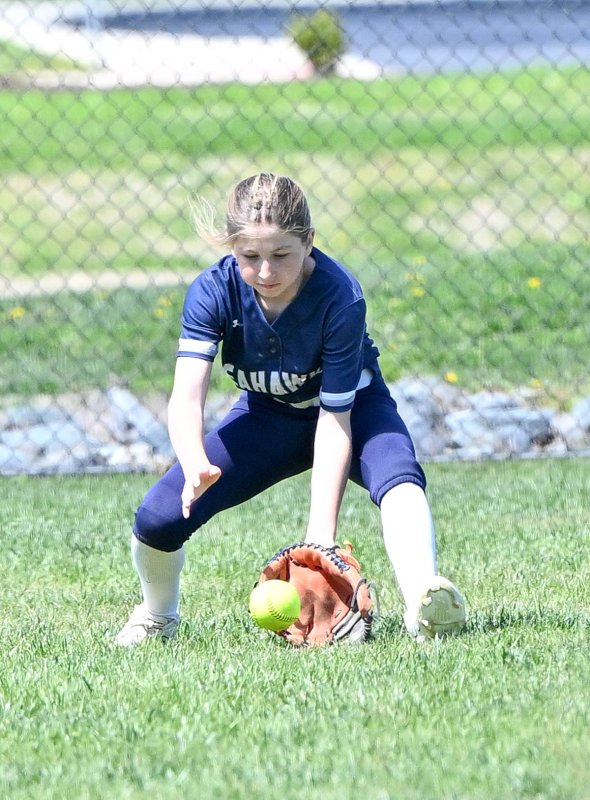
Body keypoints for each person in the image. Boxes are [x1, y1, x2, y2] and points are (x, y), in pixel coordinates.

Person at [115, 172, 466, 646]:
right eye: (249, 256)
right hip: (268, 418)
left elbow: (335, 419)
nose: (265, 271)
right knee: (158, 516)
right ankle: (158, 617)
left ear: (309, 242)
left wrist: (320, 538)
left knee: (398, 474)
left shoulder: (339, 295)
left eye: (281, 255)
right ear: (231, 248)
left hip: (354, 411)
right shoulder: (213, 290)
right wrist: (195, 460)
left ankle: (425, 605)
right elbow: (186, 396)